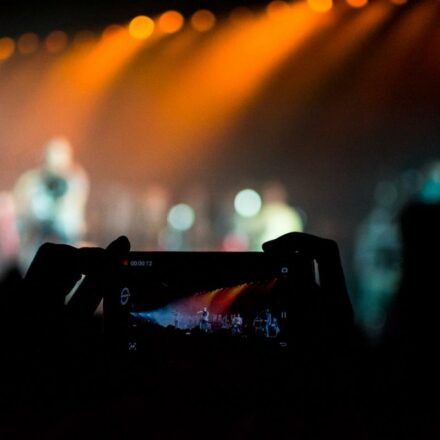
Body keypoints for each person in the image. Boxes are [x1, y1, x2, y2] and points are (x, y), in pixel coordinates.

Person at [13, 137, 89, 270]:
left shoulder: (76, 180)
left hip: (66, 238)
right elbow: (24, 213)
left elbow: (73, 221)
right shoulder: (31, 181)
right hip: (35, 240)